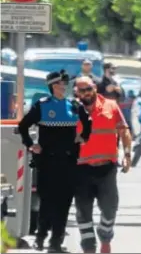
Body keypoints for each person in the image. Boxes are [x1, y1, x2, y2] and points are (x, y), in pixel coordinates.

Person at [17, 70, 92, 253]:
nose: (63, 87)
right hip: (47, 162)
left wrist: (83, 137)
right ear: (52, 86)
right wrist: (31, 144)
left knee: (64, 202)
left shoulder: (73, 105)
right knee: (47, 201)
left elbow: (87, 121)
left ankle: (56, 242)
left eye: (65, 84)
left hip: (68, 161)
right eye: (60, 84)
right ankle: (41, 237)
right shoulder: (42, 106)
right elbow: (23, 126)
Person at [73, 76, 132, 253]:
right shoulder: (71, 110)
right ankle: (88, 246)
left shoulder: (111, 106)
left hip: (106, 168)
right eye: (82, 90)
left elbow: (124, 131)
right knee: (83, 210)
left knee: (110, 208)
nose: (86, 93)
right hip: (80, 169)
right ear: (77, 92)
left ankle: (105, 235)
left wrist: (127, 154)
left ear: (95, 88)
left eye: (89, 89)